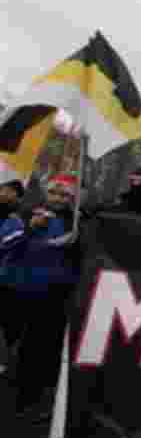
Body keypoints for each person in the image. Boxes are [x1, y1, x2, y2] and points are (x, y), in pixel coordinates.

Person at [3, 174, 81, 422]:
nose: (58, 199)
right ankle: (18, 392)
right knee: (15, 342)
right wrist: (30, 228)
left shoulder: (77, 221)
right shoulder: (25, 215)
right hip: (17, 289)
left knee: (42, 348)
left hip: (54, 295)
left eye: (65, 195)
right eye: (54, 193)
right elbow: (5, 244)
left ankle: (33, 400)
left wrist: (75, 244)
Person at [0, 179, 27, 375]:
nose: (2, 193)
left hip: (9, 278)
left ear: (16, 194)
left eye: (6, 190)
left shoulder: (18, 218)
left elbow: (8, 242)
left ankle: (5, 358)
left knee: (9, 322)